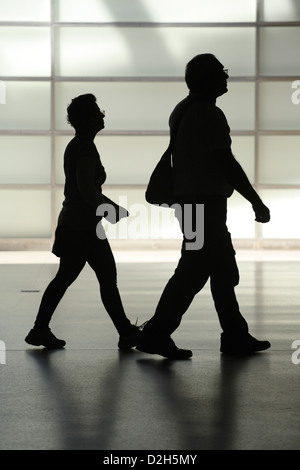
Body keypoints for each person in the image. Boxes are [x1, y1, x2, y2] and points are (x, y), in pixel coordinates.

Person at [137, 53, 271, 359]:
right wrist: (255, 201)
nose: (226, 76)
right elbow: (226, 162)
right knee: (194, 272)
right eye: (221, 72)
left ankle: (235, 334)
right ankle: (156, 334)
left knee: (219, 270)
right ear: (207, 79)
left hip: (191, 204)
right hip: (205, 206)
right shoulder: (210, 114)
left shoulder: (181, 110)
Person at [25, 93, 142, 350]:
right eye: (98, 111)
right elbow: (86, 189)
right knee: (105, 278)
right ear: (89, 119)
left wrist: (108, 207)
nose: (102, 115)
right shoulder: (85, 148)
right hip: (84, 228)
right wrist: (110, 208)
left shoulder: (78, 144)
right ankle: (125, 332)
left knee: (67, 278)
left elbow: (82, 189)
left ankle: (40, 329)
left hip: (76, 224)